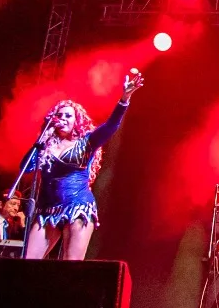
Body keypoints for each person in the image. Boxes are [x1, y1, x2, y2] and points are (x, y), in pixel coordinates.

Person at [22, 68, 144, 261]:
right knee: (27, 261)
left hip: (77, 206)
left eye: (68, 116)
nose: (62, 119)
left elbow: (111, 126)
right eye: (59, 115)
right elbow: (25, 167)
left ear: (76, 120)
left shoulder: (86, 142)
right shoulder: (45, 145)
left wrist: (124, 99)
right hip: (47, 210)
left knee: (71, 264)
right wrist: (42, 139)